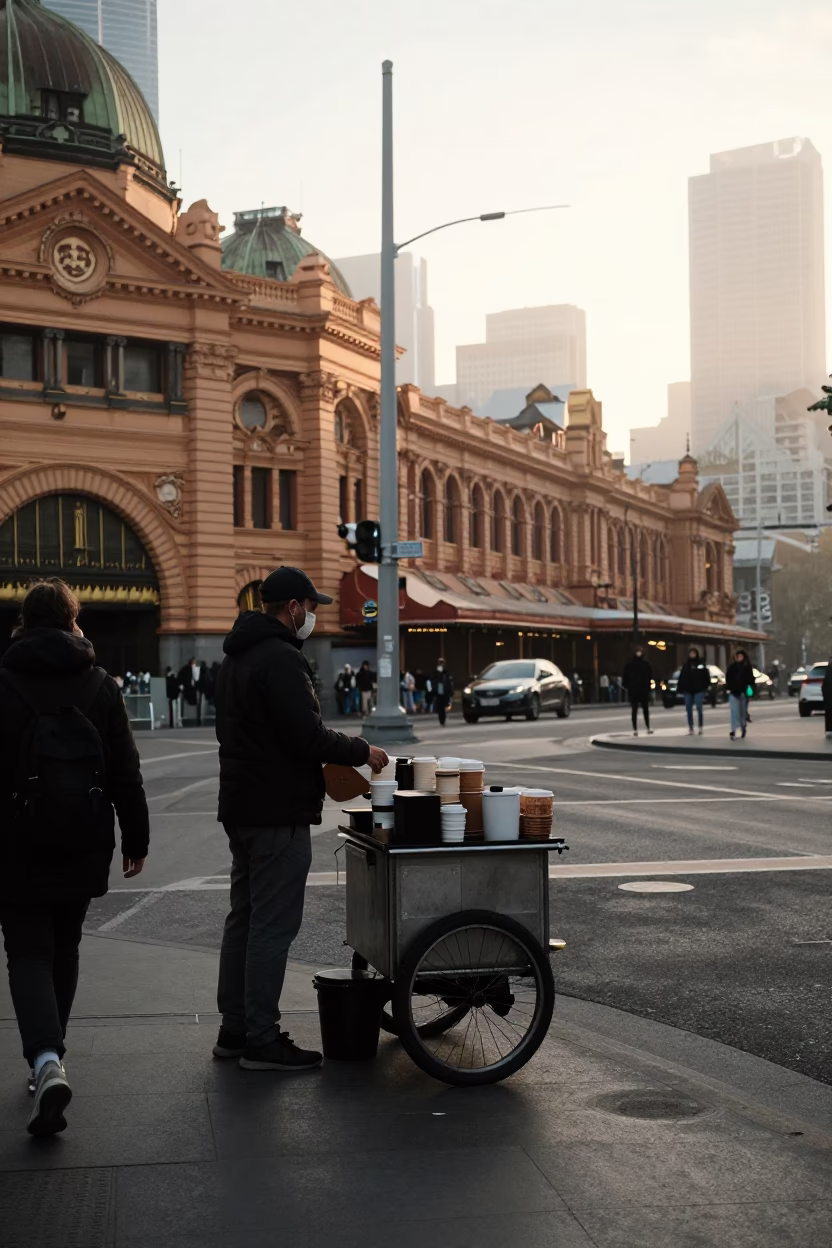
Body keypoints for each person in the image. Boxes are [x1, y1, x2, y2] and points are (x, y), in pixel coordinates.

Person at [213, 566, 388, 1072]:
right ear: (293, 608)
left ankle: (235, 1027)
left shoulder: (235, 657)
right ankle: (262, 1041)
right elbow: (305, 737)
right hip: (277, 811)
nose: (312, 616)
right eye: (310, 608)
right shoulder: (281, 659)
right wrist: (361, 750)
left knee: (243, 920)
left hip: (242, 807)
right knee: (271, 926)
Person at [0, 579, 149, 1136]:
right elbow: (126, 774)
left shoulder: (5, 684)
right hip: (84, 838)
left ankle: (46, 1060)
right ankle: (51, 1060)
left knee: (28, 953)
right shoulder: (99, 686)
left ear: (22, 622)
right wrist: (136, 840)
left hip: (16, 843)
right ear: (72, 621)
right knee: (65, 945)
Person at [677, 646, 710, 735]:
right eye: (691, 653)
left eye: (694, 653)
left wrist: (705, 686)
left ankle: (700, 727)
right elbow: (682, 677)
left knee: (699, 708)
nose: (692, 655)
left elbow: (706, 676)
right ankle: (691, 728)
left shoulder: (701, 664)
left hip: (699, 690)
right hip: (688, 690)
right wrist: (680, 688)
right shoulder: (686, 665)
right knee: (688, 709)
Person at [622, 645, 654, 736]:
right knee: (634, 710)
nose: (639, 653)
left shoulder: (646, 664)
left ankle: (648, 727)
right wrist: (628, 686)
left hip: (644, 690)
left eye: (640, 651)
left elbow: (650, 676)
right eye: (637, 651)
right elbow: (625, 676)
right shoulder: (629, 664)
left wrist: (649, 687)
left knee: (645, 709)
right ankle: (635, 729)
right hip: (633, 690)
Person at [726, 647, 754, 741]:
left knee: (742, 713)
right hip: (734, 692)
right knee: (734, 712)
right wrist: (729, 687)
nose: (738, 658)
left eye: (740, 656)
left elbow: (751, 680)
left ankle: (743, 727)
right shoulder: (732, 668)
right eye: (737, 656)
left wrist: (748, 688)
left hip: (743, 693)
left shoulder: (747, 668)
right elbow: (728, 679)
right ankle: (733, 730)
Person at [430, 659, 454, 726]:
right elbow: (433, 681)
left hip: (445, 691)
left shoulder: (446, 672)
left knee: (444, 706)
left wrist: (450, 691)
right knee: (440, 707)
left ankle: (443, 719)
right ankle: (441, 719)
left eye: (442, 663)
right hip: (438, 691)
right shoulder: (436, 672)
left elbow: (449, 682)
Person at [164, 664, 180, 729]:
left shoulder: (169, 678)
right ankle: (174, 722)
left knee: (172, 710)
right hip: (174, 695)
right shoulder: (174, 677)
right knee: (174, 710)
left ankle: (172, 723)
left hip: (171, 696)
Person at [822, 661, 832, 737]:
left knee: (829, 711)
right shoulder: (829, 669)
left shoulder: (828, 669)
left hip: (828, 693)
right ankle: (829, 729)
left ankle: (829, 729)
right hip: (829, 692)